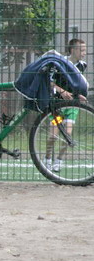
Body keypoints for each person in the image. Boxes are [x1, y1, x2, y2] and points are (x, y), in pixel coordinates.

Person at [45, 38, 88, 172]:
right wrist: (61, 91)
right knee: (53, 135)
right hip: (57, 106)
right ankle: (47, 159)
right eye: (81, 50)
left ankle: (58, 161)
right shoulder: (60, 63)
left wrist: (79, 95)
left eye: (84, 50)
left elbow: (77, 85)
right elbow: (50, 82)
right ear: (73, 50)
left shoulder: (82, 66)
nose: (84, 53)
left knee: (67, 135)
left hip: (71, 107)